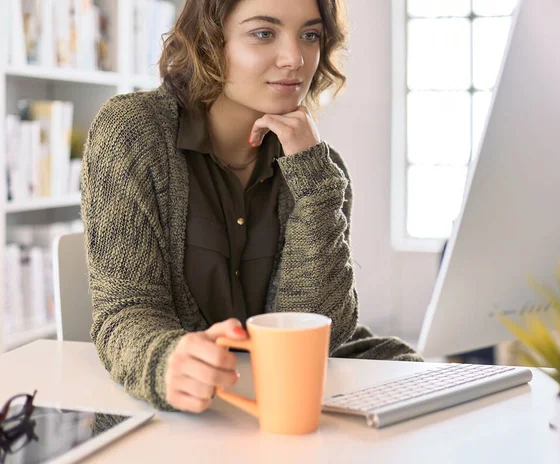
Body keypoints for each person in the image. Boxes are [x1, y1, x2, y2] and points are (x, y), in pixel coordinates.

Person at [81, 0, 421, 414]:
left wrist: (313, 183)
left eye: (310, 35)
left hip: (278, 409)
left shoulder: (319, 168)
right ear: (210, 41)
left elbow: (314, 334)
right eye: (264, 33)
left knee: (422, 380)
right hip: (185, 414)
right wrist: (164, 360)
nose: (294, 58)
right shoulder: (133, 133)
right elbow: (125, 310)